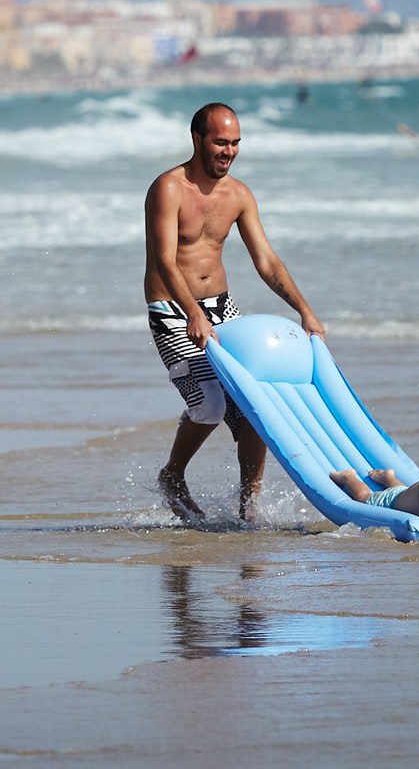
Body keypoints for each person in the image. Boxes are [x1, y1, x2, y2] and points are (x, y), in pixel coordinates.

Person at [146, 102, 327, 523]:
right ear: (197, 140)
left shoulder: (239, 195)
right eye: (220, 142)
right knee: (208, 404)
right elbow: (165, 261)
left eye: (235, 143)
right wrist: (192, 312)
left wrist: (305, 311)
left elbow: (267, 261)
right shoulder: (168, 188)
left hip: (221, 306)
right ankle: (172, 475)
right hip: (173, 308)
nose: (229, 151)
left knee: (252, 408)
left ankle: (249, 511)